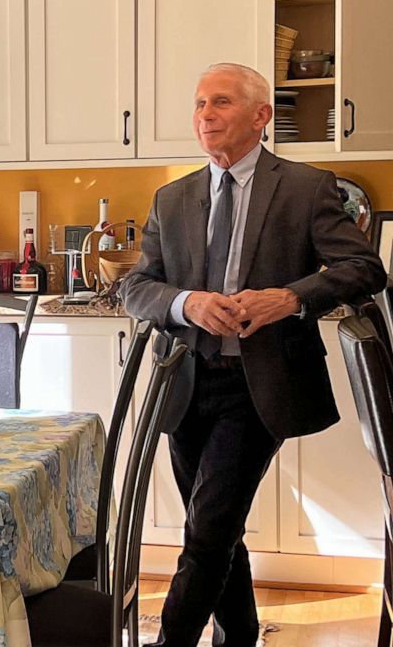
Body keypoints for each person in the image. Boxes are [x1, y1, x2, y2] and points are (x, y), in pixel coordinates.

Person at [122, 63, 386, 647]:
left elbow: (365, 269)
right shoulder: (172, 198)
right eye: (198, 104)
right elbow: (136, 288)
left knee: (210, 526)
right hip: (185, 383)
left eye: (220, 103)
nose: (204, 116)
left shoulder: (307, 187)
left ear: (261, 116)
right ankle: (239, 637)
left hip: (258, 384)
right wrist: (186, 303)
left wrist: (289, 298)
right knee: (213, 525)